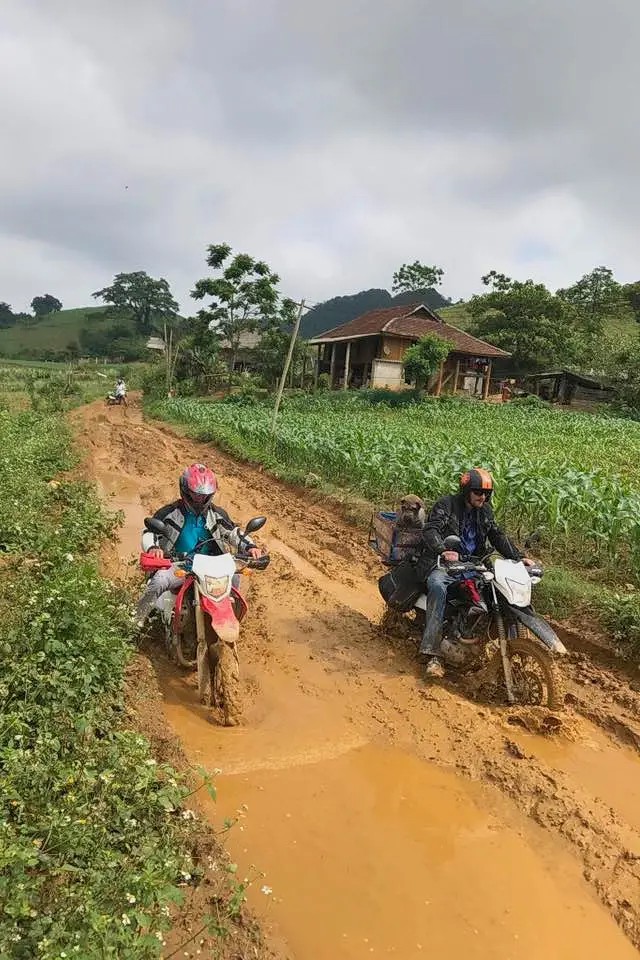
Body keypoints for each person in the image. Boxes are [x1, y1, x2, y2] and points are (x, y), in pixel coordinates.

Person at [418, 468, 532, 679]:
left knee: (498, 592)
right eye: (478, 492)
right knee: (437, 585)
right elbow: (430, 530)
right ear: (467, 491)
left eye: (486, 493)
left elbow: (497, 535)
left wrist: (519, 557)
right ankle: (432, 652)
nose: (483, 496)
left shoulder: (485, 511)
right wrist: (443, 550)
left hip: (474, 565)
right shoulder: (446, 505)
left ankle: (485, 640)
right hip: (443, 564)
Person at [136, 462, 262, 623]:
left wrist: (251, 547)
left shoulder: (217, 514)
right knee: (158, 581)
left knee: (235, 577)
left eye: (204, 495)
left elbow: (233, 533)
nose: (200, 498)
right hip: (179, 564)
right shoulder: (169, 512)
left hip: (212, 566)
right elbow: (150, 532)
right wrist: (153, 547)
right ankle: (134, 623)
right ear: (186, 491)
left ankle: (230, 617)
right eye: (196, 494)